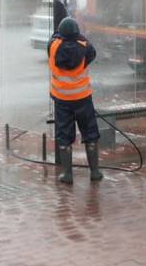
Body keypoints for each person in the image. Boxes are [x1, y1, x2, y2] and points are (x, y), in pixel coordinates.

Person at [48, 16, 103, 184]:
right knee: (90, 133)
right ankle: (94, 172)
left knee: (64, 135)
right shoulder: (85, 48)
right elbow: (92, 51)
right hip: (82, 99)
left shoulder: (53, 46)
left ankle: (68, 174)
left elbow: (54, 37)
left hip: (62, 100)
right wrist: (79, 36)